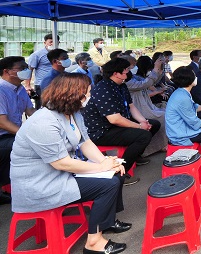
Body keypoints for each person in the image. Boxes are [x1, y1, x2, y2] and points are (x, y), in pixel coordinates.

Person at [10, 73, 129, 254]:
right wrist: (100, 167)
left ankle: (107, 221)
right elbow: (61, 164)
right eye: (87, 93)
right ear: (73, 95)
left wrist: (106, 162)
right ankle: (94, 243)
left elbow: (85, 142)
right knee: (108, 184)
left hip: (60, 175)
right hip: (41, 184)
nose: (89, 97)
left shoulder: (72, 114)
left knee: (116, 173)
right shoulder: (43, 122)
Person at [82, 58, 161, 186]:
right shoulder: (104, 89)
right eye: (125, 72)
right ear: (115, 73)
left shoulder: (121, 86)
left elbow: (131, 106)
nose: (127, 74)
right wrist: (139, 126)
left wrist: (143, 122)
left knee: (154, 124)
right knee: (143, 135)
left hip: (115, 124)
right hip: (101, 131)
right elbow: (114, 119)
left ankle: (135, 155)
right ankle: (120, 172)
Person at [0, 56, 36, 205]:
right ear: (7, 72)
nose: (26, 71)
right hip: (3, 137)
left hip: (13, 134)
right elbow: (2, 123)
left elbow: (30, 111)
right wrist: (26, 135)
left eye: (26, 67)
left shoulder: (20, 89)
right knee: (33, 148)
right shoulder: (1, 91)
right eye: (21, 69)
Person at [124, 55, 168, 157]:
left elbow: (152, 82)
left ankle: (160, 145)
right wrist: (156, 69)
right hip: (138, 107)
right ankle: (147, 149)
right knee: (162, 117)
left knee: (164, 113)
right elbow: (145, 84)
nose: (135, 66)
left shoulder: (133, 77)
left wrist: (160, 70)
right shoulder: (127, 82)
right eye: (133, 65)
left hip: (145, 104)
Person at [25, 33, 58, 108]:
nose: (53, 44)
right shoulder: (37, 55)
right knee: (42, 105)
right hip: (42, 84)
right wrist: (27, 85)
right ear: (45, 43)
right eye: (51, 42)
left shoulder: (60, 54)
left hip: (57, 84)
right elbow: (30, 69)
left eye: (55, 42)